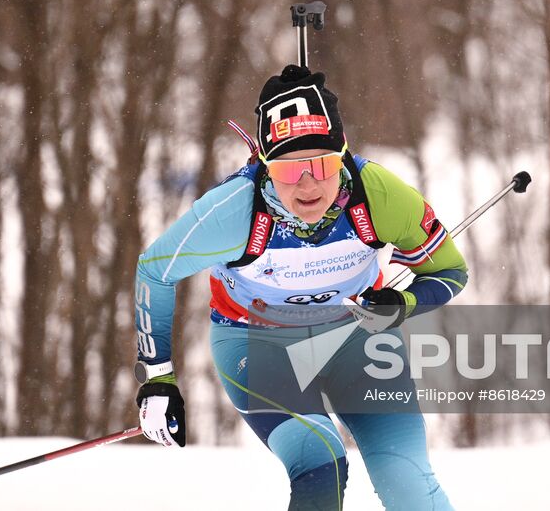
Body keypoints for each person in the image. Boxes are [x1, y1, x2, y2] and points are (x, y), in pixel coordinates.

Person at [132, 65, 468, 510]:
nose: (308, 185)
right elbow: (155, 270)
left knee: (406, 481)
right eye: (289, 171)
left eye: (323, 165)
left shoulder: (379, 195)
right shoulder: (234, 211)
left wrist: (401, 304)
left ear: (344, 156)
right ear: (265, 166)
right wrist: (158, 379)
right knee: (321, 461)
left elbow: (450, 272)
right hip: (258, 345)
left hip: (357, 343)